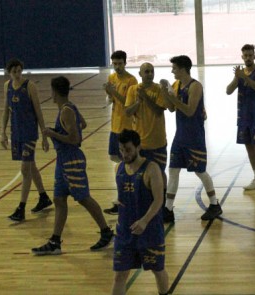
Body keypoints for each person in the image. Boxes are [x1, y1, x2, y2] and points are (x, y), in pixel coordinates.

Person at [32, 76, 114, 255]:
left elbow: (75, 139)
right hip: (63, 160)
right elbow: (82, 124)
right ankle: (55, 241)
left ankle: (106, 232)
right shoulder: (69, 107)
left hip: (72, 159)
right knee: (59, 199)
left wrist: (53, 134)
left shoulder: (66, 111)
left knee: (83, 198)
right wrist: (63, 131)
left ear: (54, 92)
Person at [160, 55, 223, 223]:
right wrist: (164, 92)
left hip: (194, 136)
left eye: (174, 68)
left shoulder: (195, 86)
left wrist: (173, 98)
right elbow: (171, 108)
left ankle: (215, 204)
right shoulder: (177, 85)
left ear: (182, 69)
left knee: (200, 171)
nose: (172, 71)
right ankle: (168, 208)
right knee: (173, 171)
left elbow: (189, 111)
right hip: (180, 136)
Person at [111, 129, 169, 295]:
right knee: (119, 276)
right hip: (125, 231)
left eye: (128, 150)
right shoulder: (118, 169)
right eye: (121, 150)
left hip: (149, 231)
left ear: (138, 147)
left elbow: (159, 200)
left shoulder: (151, 169)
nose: (124, 154)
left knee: (158, 270)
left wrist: (144, 220)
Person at [1, 58, 52, 222]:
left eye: (19, 71)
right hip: (16, 133)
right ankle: (43, 197)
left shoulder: (29, 86)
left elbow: (38, 111)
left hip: (30, 133)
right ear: (9, 72)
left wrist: (44, 135)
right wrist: (2, 133)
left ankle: (21, 208)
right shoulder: (7, 87)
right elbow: (5, 111)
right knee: (32, 166)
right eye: (14, 71)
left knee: (25, 170)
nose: (17, 74)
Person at [226, 44, 255, 196]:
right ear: (242, 57)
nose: (248, 58)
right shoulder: (241, 73)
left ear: (254, 56)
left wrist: (244, 77)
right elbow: (228, 91)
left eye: (251, 55)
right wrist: (237, 77)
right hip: (243, 115)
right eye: (246, 56)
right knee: (249, 146)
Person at [125, 63, 172, 199]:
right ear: (140, 74)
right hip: (139, 143)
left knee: (160, 172)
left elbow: (158, 111)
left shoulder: (158, 89)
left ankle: (163, 203)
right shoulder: (133, 90)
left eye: (152, 71)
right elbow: (128, 112)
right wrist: (138, 102)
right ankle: (143, 200)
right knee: (139, 173)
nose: (150, 74)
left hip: (157, 141)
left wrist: (145, 97)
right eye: (146, 72)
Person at [103, 50, 138, 215]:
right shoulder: (111, 78)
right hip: (114, 125)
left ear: (125, 63)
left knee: (124, 163)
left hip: (127, 126)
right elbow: (111, 100)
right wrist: (108, 95)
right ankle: (124, 194)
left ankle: (125, 197)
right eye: (114, 64)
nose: (117, 67)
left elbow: (127, 103)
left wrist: (113, 92)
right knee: (114, 158)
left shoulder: (131, 80)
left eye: (119, 63)